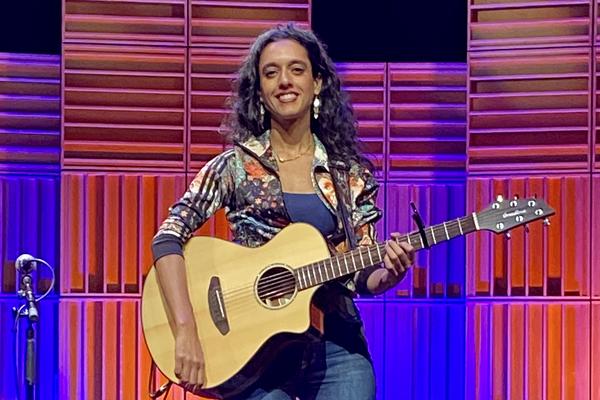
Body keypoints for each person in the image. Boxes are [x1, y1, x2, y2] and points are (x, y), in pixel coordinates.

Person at [151, 23, 415, 400]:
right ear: (259, 91)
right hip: (252, 354)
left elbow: (362, 276)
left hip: (334, 343)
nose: (284, 81)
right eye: (270, 73)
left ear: (318, 82)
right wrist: (185, 329)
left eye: (296, 69)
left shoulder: (348, 173)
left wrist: (391, 271)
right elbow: (168, 239)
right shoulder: (236, 166)